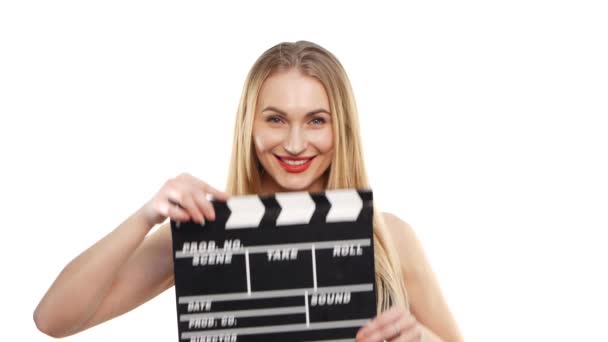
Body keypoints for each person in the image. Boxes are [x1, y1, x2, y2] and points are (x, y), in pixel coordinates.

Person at [33, 40, 463, 342]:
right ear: (249, 126)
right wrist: (146, 215)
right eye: (275, 119)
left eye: (317, 120)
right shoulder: (205, 232)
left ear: (343, 129)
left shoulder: (388, 238)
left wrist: (420, 337)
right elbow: (53, 319)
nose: (295, 144)